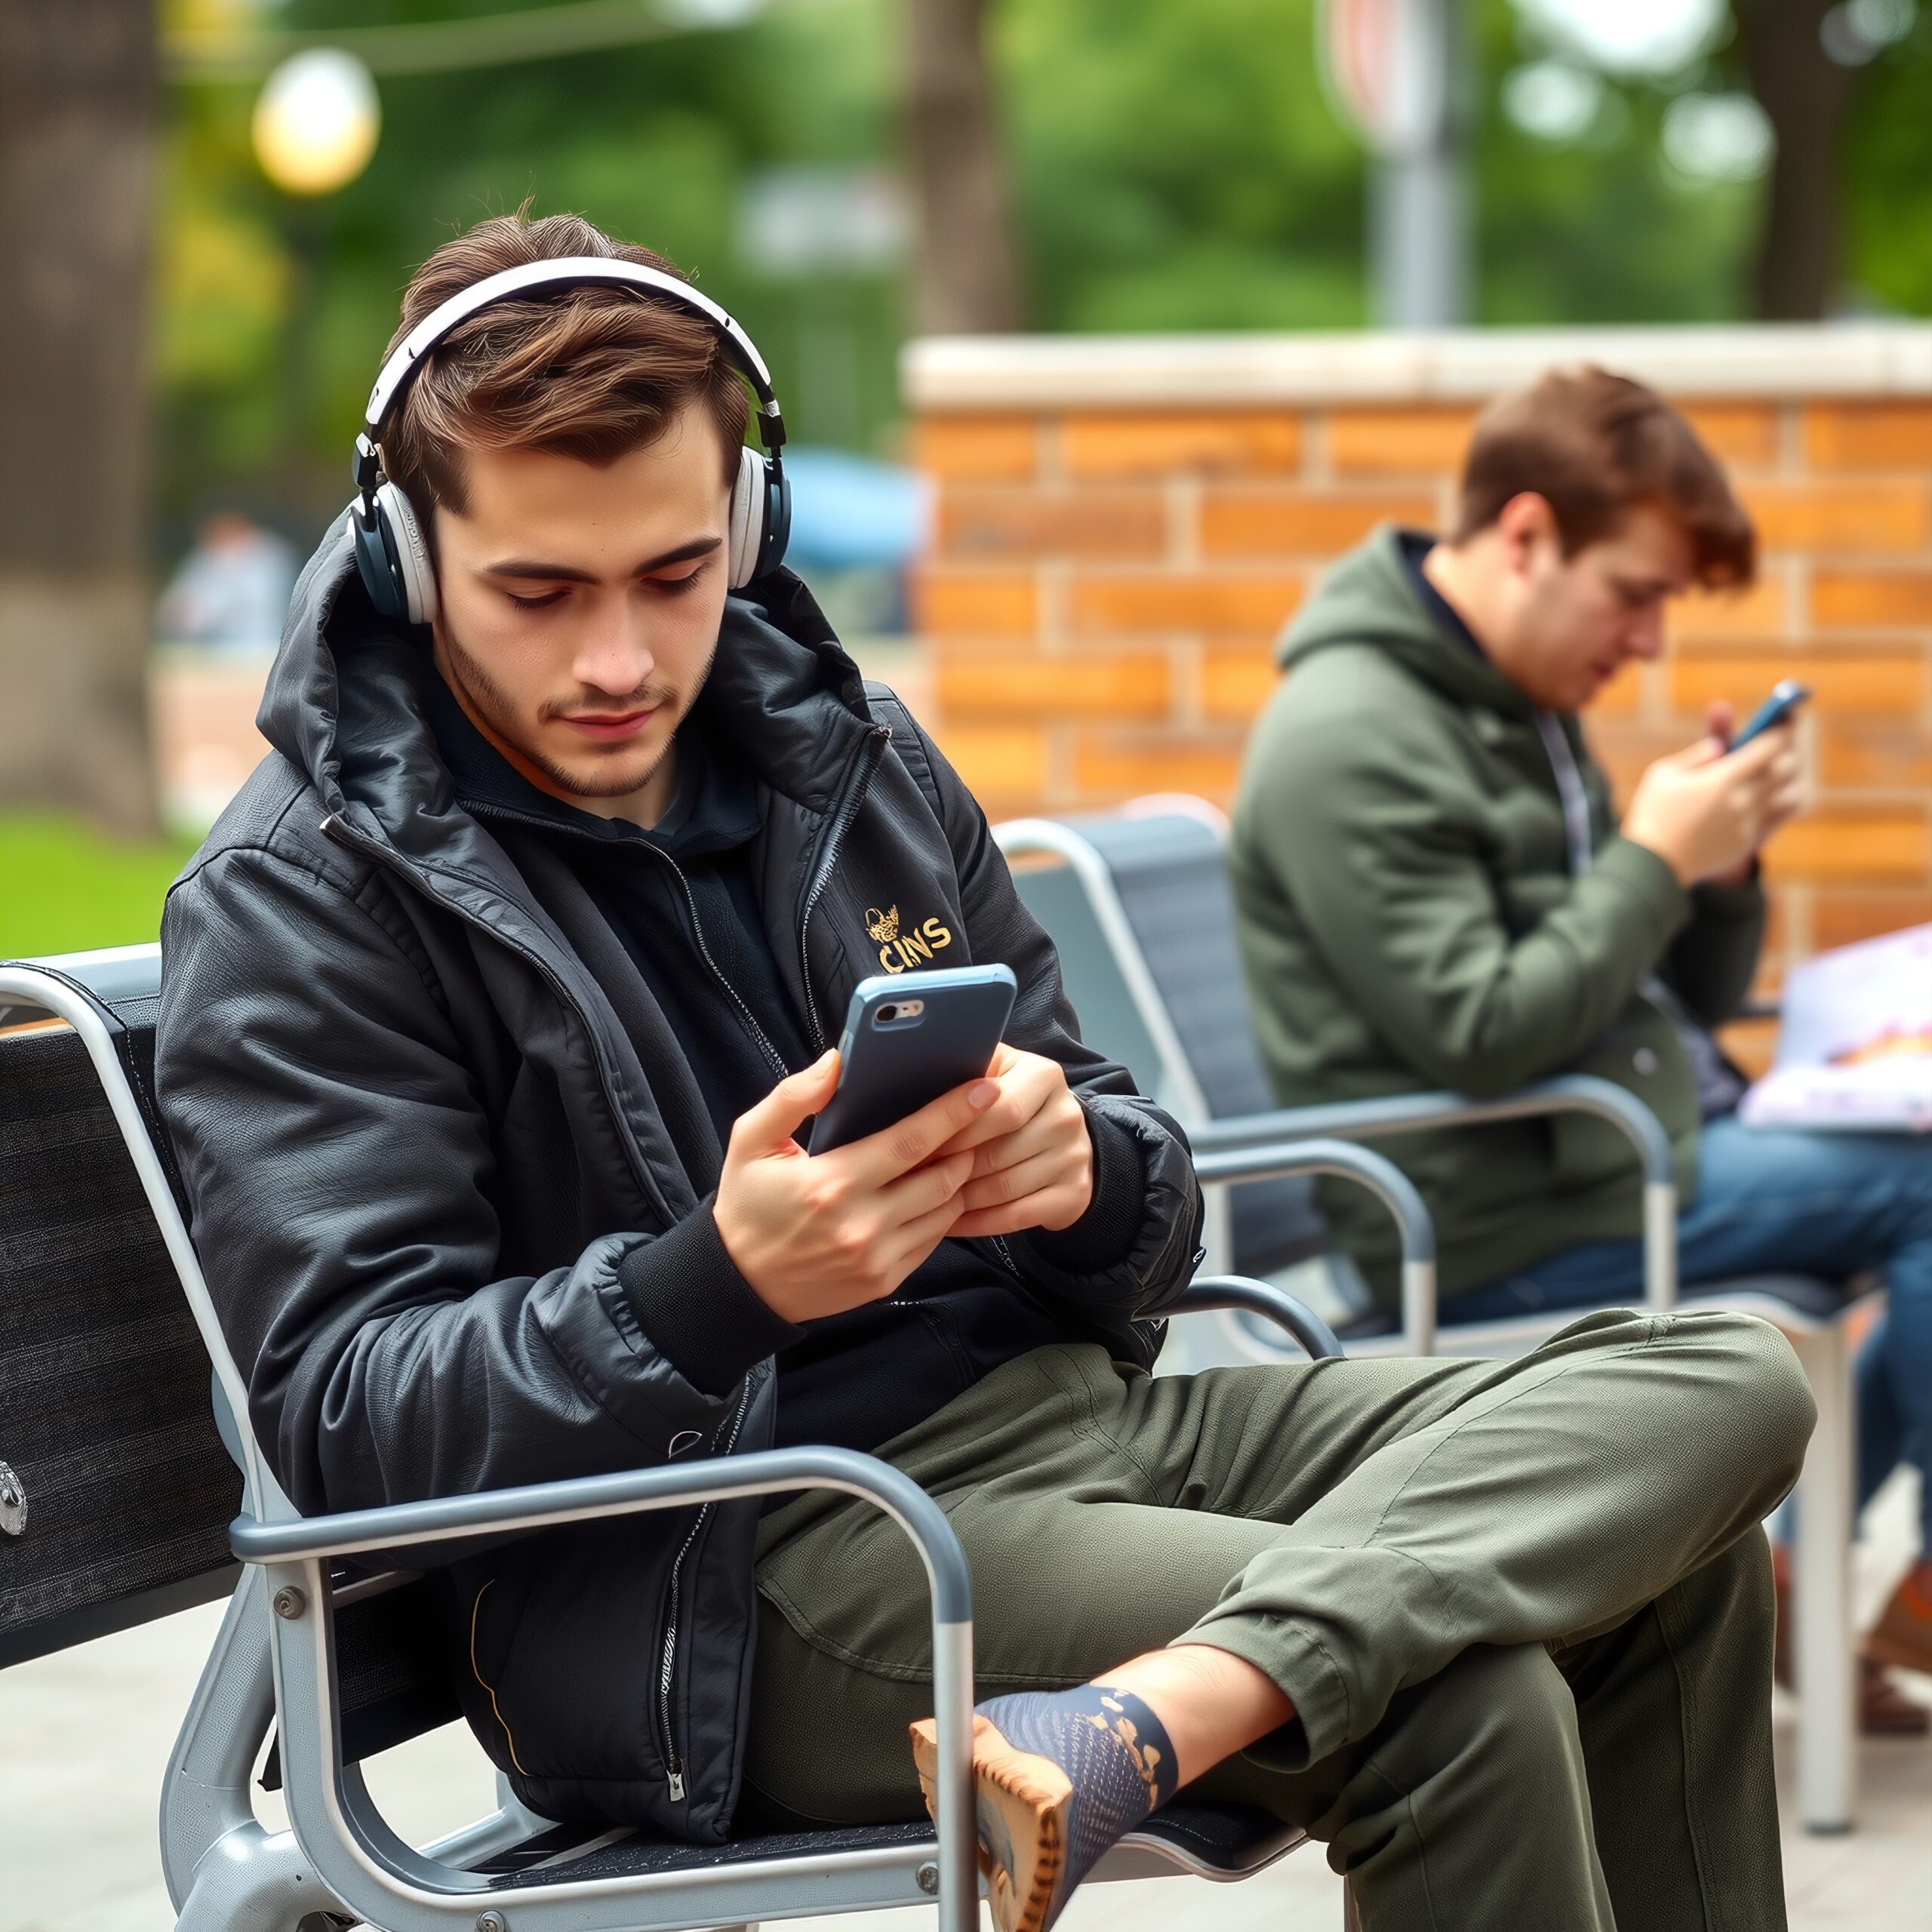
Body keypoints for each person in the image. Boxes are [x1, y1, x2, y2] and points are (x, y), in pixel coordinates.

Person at [156, 219, 1815, 1932]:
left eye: (670, 574)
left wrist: (1084, 1169)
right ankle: (1252, 1670)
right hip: (737, 1556)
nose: (621, 661)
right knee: (1450, 1686)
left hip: (1075, 1434)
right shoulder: (307, 891)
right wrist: (715, 1286)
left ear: (743, 522)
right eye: (537, 591)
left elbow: (1134, 1163)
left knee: (1724, 1391)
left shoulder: (842, 748)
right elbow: (344, 1418)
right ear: (409, 557)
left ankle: (1174, 1703)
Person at [1230, 365, 1932, 1736]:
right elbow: (1483, 1032)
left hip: (1606, 1151)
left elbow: (1649, 982)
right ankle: (1852, 1582)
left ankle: (1804, 1576)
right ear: (1526, 534)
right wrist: (1656, 857)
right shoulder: (1355, 735)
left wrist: (1713, 875)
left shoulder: (1512, 703)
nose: (1652, 642)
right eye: (1637, 593)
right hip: (1488, 1209)